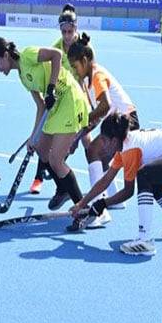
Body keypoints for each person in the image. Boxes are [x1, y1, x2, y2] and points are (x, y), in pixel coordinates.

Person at [70, 112, 162, 256]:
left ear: (114, 140)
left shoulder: (130, 149)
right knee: (154, 185)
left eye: (104, 139)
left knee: (144, 174)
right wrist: (82, 203)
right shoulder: (123, 148)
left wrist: (102, 204)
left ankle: (144, 240)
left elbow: (128, 192)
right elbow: (105, 180)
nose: (101, 144)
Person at [0, 38, 89, 210]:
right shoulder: (23, 77)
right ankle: (63, 189)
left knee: (56, 160)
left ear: (6, 56)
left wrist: (50, 88)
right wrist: (33, 137)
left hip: (68, 98)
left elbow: (56, 55)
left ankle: (84, 209)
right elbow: (41, 106)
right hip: (55, 106)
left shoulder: (28, 55)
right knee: (41, 150)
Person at [67, 32, 140, 223]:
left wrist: (80, 130)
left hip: (126, 123)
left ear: (84, 61)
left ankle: (99, 211)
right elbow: (98, 117)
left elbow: (105, 106)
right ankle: (111, 201)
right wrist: (77, 138)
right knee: (100, 157)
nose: (75, 72)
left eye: (75, 67)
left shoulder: (97, 75)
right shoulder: (87, 80)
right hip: (115, 124)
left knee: (93, 152)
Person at [30, 4, 84, 195]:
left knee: (79, 145)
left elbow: (87, 77)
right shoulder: (54, 49)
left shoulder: (84, 48)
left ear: (76, 29)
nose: (67, 36)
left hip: (77, 101)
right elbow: (46, 76)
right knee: (45, 139)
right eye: (64, 32)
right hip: (57, 101)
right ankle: (39, 178)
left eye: (70, 31)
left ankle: (97, 190)